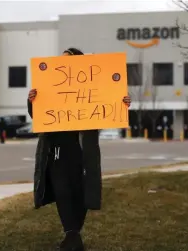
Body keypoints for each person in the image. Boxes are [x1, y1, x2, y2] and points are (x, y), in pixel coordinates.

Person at [27, 47, 131, 251]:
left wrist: (122, 101)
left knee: (82, 190)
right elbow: (38, 116)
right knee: (62, 190)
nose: (63, 63)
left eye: (68, 60)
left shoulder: (93, 85)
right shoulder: (51, 82)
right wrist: (32, 101)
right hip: (57, 150)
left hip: (82, 151)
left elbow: (109, 105)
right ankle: (71, 233)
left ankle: (73, 234)